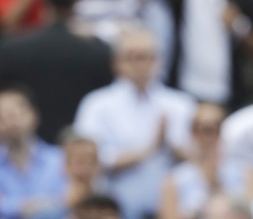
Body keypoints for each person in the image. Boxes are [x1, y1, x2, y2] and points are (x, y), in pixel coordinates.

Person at [74, 27, 196, 219]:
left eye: (147, 57)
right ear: (116, 63)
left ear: (159, 61)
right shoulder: (97, 104)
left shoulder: (180, 104)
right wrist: (146, 151)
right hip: (116, 209)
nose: (141, 64)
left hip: (172, 210)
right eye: (133, 57)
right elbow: (87, 160)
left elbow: (197, 157)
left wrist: (170, 145)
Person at [0, 0, 113, 144]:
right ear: (75, 2)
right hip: (77, 153)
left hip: (36, 148)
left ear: (45, 2)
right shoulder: (99, 52)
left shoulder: (11, 49)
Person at [0, 84, 68, 218]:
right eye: (2, 116)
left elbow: (70, 202)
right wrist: (40, 205)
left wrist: (10, 205)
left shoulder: (62, 159)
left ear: (34, 114)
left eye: (15, 113)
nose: (10, 122)